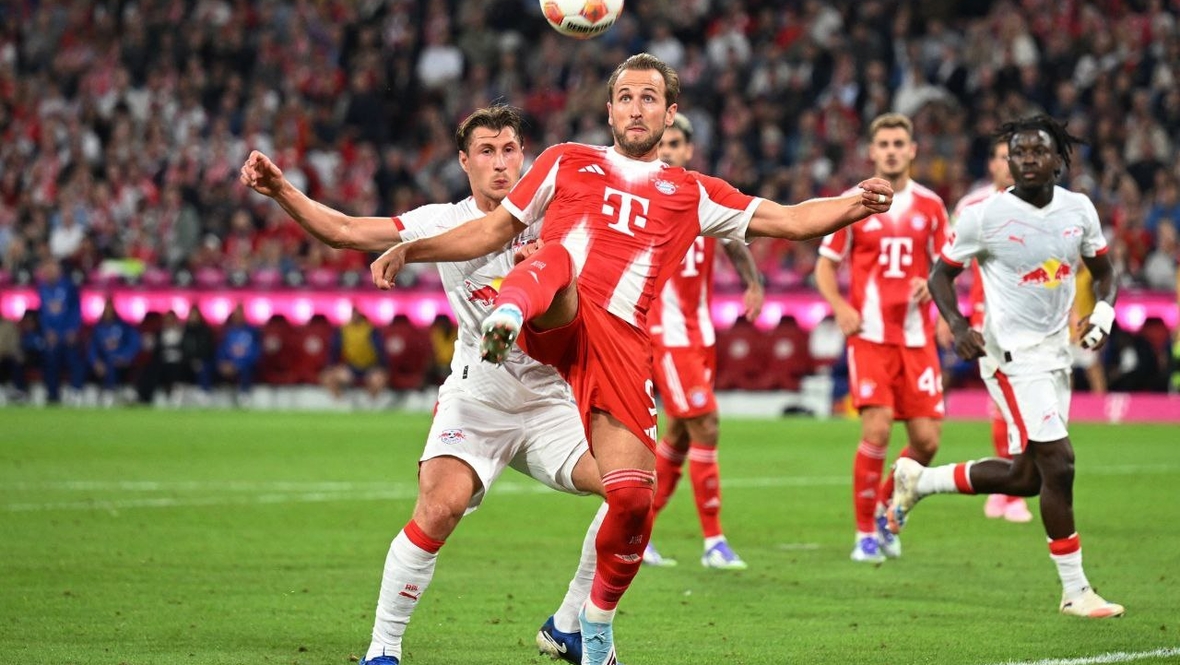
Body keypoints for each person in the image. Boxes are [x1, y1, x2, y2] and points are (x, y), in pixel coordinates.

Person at [369, 53, 894, 665]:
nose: (636, 109)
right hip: (552, 319)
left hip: (614, 350)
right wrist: (413, 249)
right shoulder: (566, 159)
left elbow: (791, 220)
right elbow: (491, 232)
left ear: (670, 114)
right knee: (557, 259)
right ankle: (508, 314)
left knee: (633, 498)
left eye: (649, 98)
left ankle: (584, 625)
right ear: (610, 110)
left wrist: (854, 202)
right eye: (625, 97)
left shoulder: (693, 192)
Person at [240, 105, 609, 665]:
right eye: (486, 151)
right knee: (439, 509)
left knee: (632, 491)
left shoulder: (555, 217)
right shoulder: (440, 221)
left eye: (510, 150)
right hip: (479, 397)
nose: (500, 163)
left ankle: (568, 624)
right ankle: (382, 650)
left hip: (551, 401)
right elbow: (345, 231)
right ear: (464, 161)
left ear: (524, 156)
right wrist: (282, 191)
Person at [894, 114, 1124, 619]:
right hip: (1010, 358)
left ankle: (919, 481)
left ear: (1058, 159)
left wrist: (1103, 314)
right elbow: (940, 276)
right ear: (1008, 162)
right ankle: (1075, 590)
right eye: (1018, 153)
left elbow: (1106, 272)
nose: (1027, 160)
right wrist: (958, 325)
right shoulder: (985, 216)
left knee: (1028, 478)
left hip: (1055, 355)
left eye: (1038, 151)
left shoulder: (1078, 210)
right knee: (1059, 464)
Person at [813, 112, 949, 564]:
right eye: (884, 144)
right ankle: (863, 534)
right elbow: (825, 266)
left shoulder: (931, 206)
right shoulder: (855, 202)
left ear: (912, 151)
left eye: (898, 144)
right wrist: (840, 306)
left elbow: (947, 267)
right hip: (870, 336)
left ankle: (884, 508)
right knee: (877, 427)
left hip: (917, 338)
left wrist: (934, 287)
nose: (891, 151)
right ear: (872, 152)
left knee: (927, 441)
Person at [641, 113, 764, 571]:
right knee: (706, 423)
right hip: (666, 335)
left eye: (675, 143)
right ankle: (714, 541)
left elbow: (732, 239)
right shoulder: (642, 196)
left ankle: (638, 534)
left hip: (700, 335)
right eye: (662, 144)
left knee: (678, 434)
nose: (668, 151)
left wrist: (752, 281)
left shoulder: (701, 196)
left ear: (689, 150)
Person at [952, 136, 1033, 524]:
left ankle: (1010, 488)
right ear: (991, 164)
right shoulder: (972, 206)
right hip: (990, 317)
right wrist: (949, 317)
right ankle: (1010, 491)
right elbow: (947, 262)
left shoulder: (1040, 204)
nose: (1009, 163)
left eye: (1014, 156)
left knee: (1028, 404)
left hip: (1033, 317)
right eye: (1003, 157)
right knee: (1006, 403)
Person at [35, 258, 85, 404]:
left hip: (68, 334)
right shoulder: (42, 288)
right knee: (49, 360)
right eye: (47, 270)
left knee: (75, 359)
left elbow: (75, 310)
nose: (49, 273)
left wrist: (73, 329)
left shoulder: (68, 286)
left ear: (58, 271)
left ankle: (76, 391)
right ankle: (52, 394)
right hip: (52, 336)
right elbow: (43, 313)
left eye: (52, 269)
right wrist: (47, 331)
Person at [322, 305, 389, 404]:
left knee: (378, 380)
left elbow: (381, 351)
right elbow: (334, 350)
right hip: (351, 367)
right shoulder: (343, 330)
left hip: (370, 367)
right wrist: (331, 366)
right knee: (328, 377)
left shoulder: (370, 330)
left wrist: (382, 368)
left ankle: (371, 404)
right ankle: (340, 403)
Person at [87, 296, 142, 407]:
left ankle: (120, 393)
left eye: (110, 309)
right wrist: (95, 362)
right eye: (106, 309)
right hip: (104, 362)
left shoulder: (124, 327)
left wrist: (125, 356)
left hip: (122, 362)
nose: (108, 312)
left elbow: (134, 343)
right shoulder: (97, 329)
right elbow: (92, 348)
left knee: (118, 365)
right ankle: (108, 393)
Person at [215, 303, 261, 405]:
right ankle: (207, 395)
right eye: (236, 315)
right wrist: (223, 363)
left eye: (240, 314)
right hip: (228, 365)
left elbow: (254, 353)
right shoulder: (227, 333)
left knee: (247, 370)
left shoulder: (251, 333)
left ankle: (244, 395)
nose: (238, 317)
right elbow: (222, 350)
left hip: (245, 365)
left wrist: (238, 365)